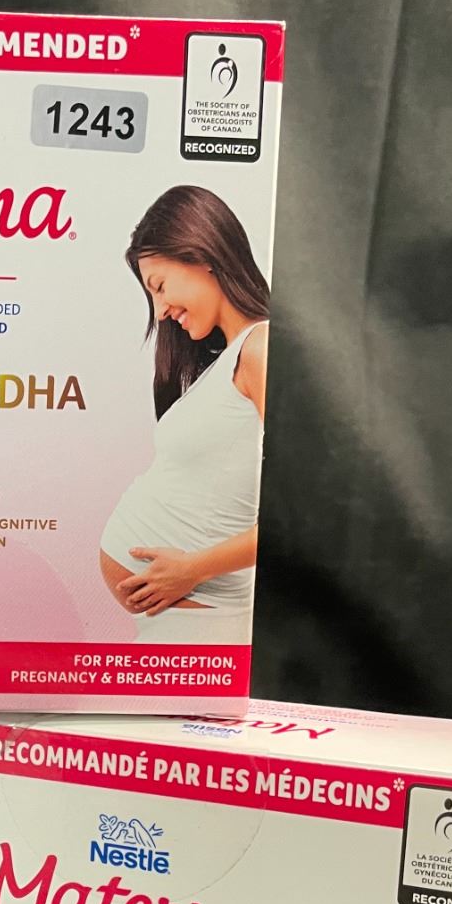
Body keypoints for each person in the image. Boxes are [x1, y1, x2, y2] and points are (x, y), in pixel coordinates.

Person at [100, 184, 269, 640]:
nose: (159, 311)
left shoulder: (260, 348)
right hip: (181, 616)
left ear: (201, 256)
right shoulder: (227, 357)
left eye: (159, 286)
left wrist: (193, 569)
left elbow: (305, 519)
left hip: (203, 614)